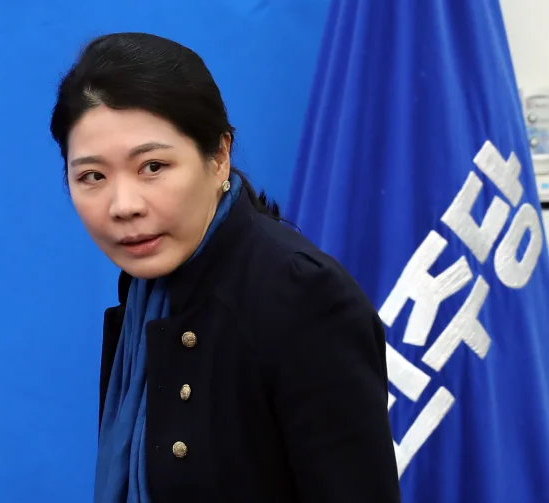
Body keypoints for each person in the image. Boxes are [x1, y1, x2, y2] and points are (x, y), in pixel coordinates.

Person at [49, 32, 400, 503]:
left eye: (153, 167)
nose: (123, 205)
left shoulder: (301, 296)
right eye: (92, 176)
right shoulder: (146, 291)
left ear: (218, 157)